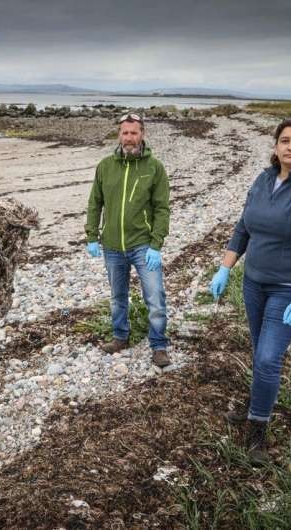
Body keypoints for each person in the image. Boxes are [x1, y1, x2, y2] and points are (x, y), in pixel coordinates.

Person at [209, 117, 291, 465]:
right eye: (285, 140)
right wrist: (225, 267)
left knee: (268, 358)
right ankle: (257, 401)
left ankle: (258, 430)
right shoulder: (263, 179)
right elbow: (243, 227)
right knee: (259, 352)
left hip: (289, 290)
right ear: (276, 146)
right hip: (254, 284)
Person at [84, 112, 171, 367]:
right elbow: (95, 203)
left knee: (155, 296)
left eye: (134, 133)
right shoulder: (105, 166)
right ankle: (120, 337)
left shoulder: (154, 167)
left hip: (143, 245)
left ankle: (159, 345)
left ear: (142, 134)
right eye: (125, 133)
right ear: (119, 135)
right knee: (118, 297)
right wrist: (92, 236)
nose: (129, 137)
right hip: (112, 246)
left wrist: (156, 244)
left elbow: (162, 209)